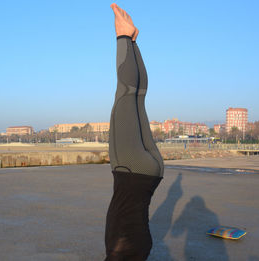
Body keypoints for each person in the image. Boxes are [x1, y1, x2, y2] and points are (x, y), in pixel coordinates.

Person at [105, 3, 164, 261]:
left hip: (152, 173)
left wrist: (133, 44)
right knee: (128, 94)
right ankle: (123, 35)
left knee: (137, 96)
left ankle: (130, 40)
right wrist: (124, 39)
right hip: (132, 170)